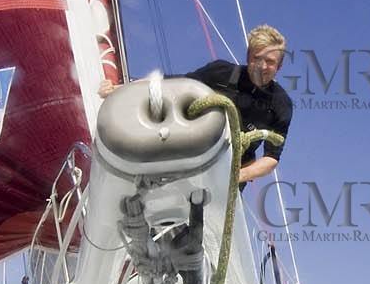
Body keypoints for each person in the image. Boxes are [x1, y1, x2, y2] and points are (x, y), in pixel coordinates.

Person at [98, 25, 292, 186]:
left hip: (227, 177)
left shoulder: (280, 104)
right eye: (257, 58)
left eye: (270, 62)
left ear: (279, 66)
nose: (262, 66)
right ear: (248, 56)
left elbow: (272, 158)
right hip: (188, 157)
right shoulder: (222, 73)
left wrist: (237, 176)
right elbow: (172, 84)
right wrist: (121, 89)